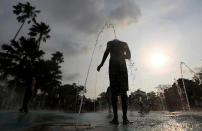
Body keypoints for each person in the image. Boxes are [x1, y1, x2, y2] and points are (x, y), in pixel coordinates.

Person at [97, 39, 131, 125]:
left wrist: (101, 64)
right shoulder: (124, 43)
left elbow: (106, 53)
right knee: (123, 93)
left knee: (114, 93)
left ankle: (115, 118)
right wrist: (121, 56)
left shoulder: (110, 43)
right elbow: (129, 56)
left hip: (113, 67)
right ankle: (125, 118)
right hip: (122, 67)